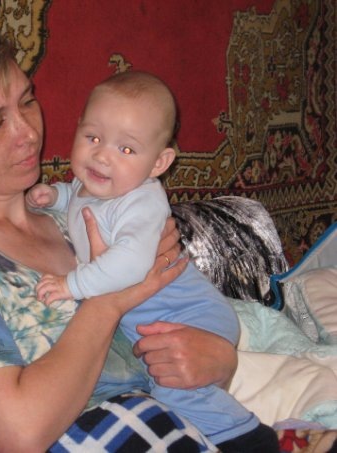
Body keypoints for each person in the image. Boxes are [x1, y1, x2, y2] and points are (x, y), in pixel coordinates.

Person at [0, 19, 244, 452]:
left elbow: (176, 334)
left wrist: (220, 360)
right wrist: (107, 301)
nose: (28, 133)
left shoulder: (82, 212)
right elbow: (19, 433)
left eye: (27, 101)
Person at [26, 71, 278, 450]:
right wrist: (56, 197)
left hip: (188, 314)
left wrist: (72, 285)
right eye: (93, 137)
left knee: (174, 387)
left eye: (126, 149)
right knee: (165, 388)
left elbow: (130, 264)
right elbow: (78, 196)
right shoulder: (94, 183)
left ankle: (249, 438)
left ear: (159, 162)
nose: (102, 155)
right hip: (157, 317)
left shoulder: (141, 201)